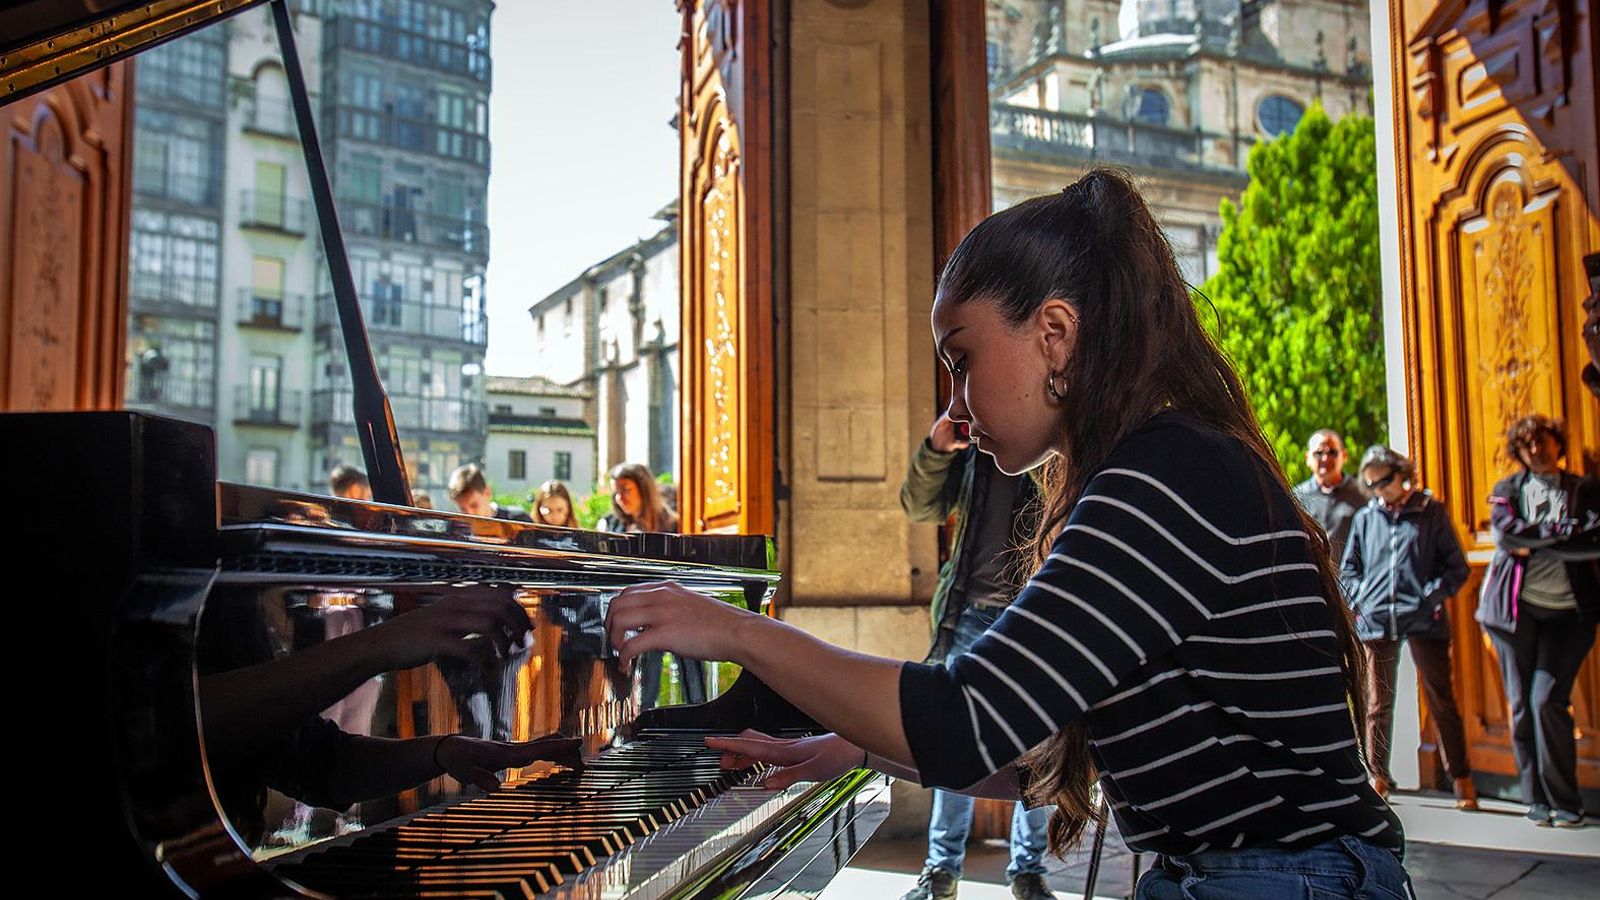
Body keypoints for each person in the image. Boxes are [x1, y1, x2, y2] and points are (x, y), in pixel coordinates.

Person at [604, 169, 1409, 898]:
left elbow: (966, 717)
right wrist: (850, 747)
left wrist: (737, 631)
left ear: (1054, 334)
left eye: (963, 359)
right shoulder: (1158, 464)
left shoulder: (1165, 471)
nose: (954, 403)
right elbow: (1039, 750)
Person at [900, 412, 1052, 900]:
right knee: (954, 741)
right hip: (967, 616)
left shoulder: (1050, 447)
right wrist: (937, 449)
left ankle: (1028, 872)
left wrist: (1029, 442)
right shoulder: (973, 457)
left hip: (1032, 619)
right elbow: (917, 505)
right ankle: (942, 872)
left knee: (1040, 746)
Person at [1479, 414, 1600, 828]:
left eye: (1543, 440)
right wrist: (1562, 532)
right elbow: (1508, 536)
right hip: (1516, 613)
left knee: (1546, 700)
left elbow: (1594, 539)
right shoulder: (1507, 489)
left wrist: (1539, 538)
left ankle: (1567, 802)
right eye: (1527, 443)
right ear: (1518, 450)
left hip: (1570, 613)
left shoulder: (1583, 489)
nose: (1536, 449)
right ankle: (1536, 799)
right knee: (1520, 706)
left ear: (1557, 443)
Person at [1339, 445, 1475, 810]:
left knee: (1440, 699)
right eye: (1371, 484)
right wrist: (1360, 599)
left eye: (1383, 480)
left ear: (1401, 474)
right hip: (1378, 619)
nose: (1378, 489)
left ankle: (1461, 777)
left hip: (1423, 620)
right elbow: (1348, 570)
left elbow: (1457, 568)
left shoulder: (1430, 513)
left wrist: (1429, 598)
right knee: (1376, 704)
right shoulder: (1367, 517)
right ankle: (1378, 776)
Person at [1293, 430, 1366, 562]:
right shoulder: (1297, 497)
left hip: (1348, 579)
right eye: (1318, 453)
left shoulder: (1363, 495)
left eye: (1332, 452)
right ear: (1307, 458)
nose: (1325, 458)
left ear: (1344, 456)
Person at [598, 463, 678, 534]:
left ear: (644, 489)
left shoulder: (674, 526)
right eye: (616, 492)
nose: (619, 498)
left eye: (626, 490)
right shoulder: (610, 526)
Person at [448, 463, 534, 522]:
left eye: (474, 505)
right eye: (462, 509)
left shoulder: (518, 520)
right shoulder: (455, 529)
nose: (469, 514)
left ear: (487, 493)